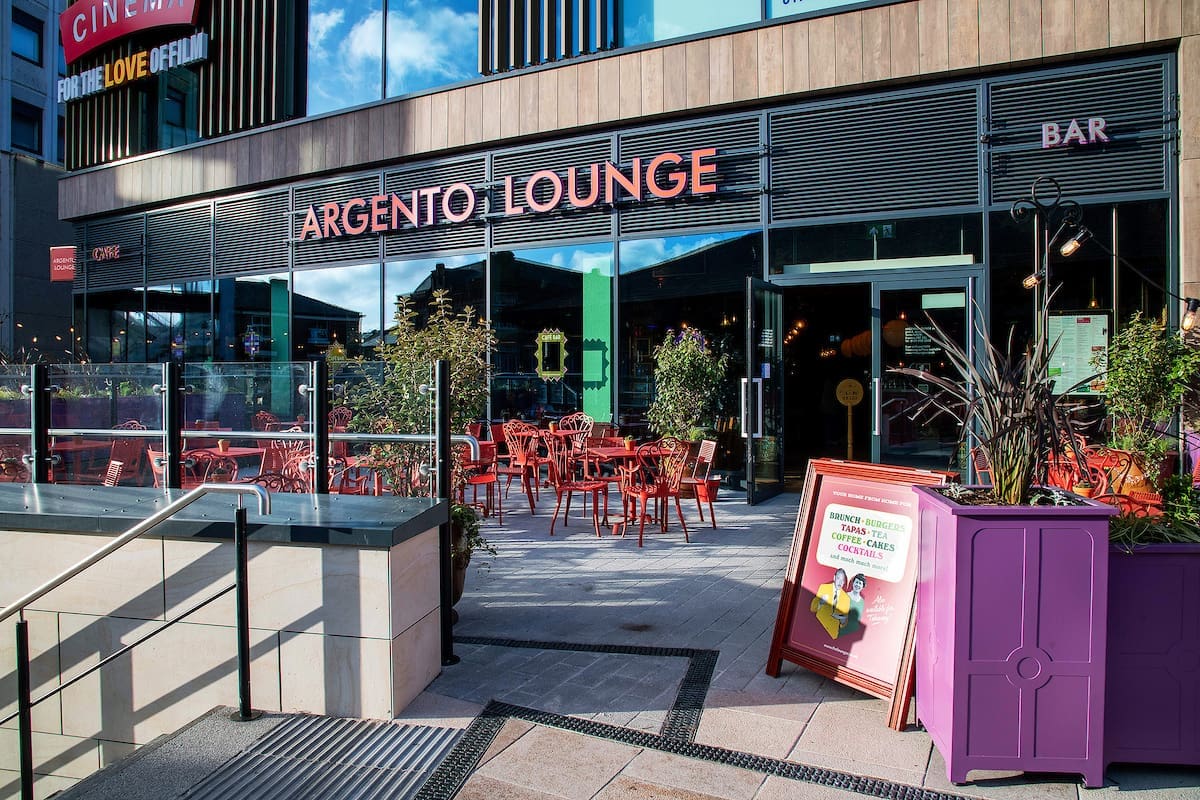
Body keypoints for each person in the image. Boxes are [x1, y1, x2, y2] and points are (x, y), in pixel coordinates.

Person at [810, 568, 850, 639]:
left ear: (844, 582)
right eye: (838, 578)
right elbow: (813, 608)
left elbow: (844, 623)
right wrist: (821, 602)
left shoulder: (846, 598)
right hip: (818, 629)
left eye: (842, 580)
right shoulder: (824, 587)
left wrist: (842, 620)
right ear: (834, 578)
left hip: (832, 634)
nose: (840, 582)